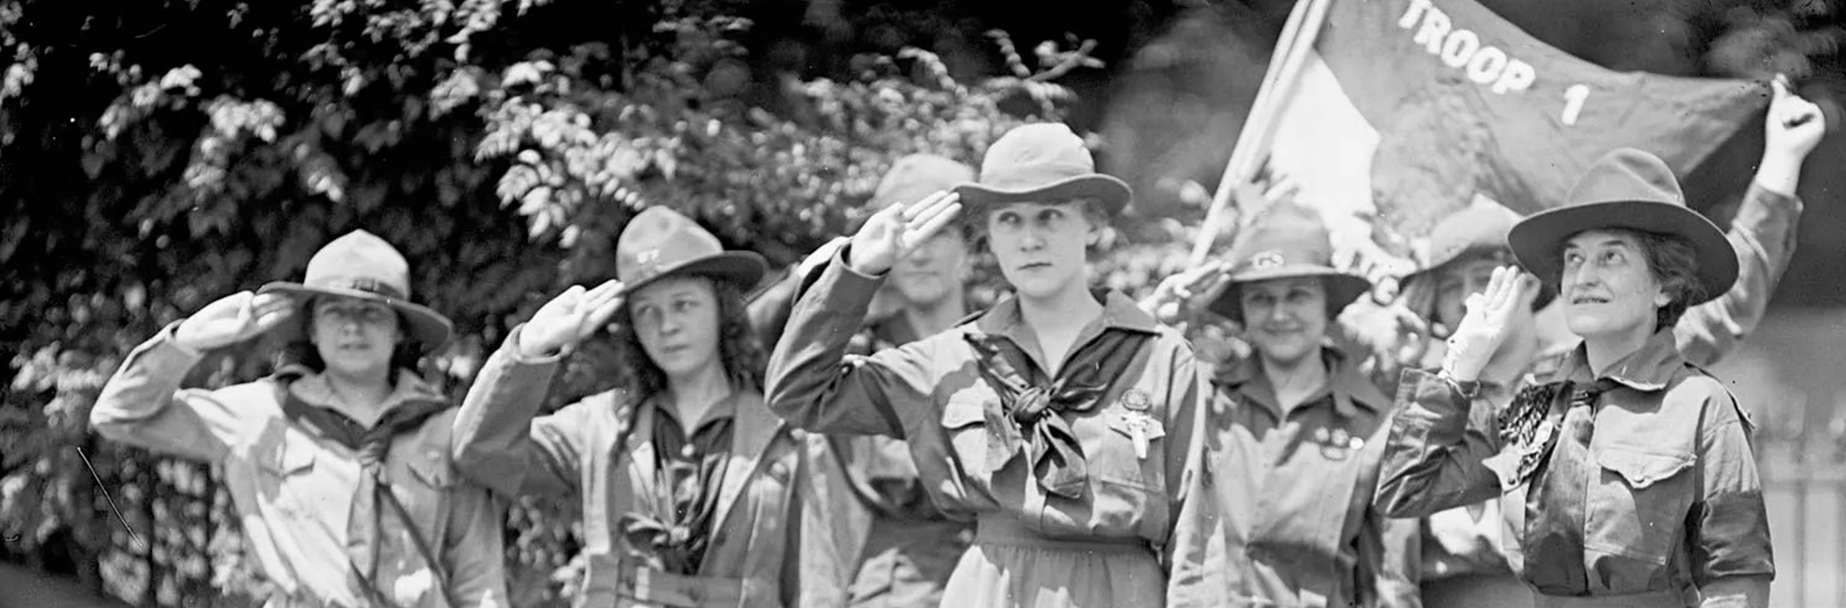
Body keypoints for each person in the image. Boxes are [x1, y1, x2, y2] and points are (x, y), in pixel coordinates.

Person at [1368, 76, 1824, 608]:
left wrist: (1780, 167)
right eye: (1574, 258)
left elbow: (1736, 582)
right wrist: (1456, 373)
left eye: (1612, 256)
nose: (1584, 276)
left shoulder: (1699, 407)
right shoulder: (1531, 406)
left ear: (1665, 286)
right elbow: (1406, 490)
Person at [764, 122, 1211, 608]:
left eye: (1050, 216)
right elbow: (799, 394)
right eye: (1010, 220)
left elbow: (1198, 540)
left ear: (1093, 223)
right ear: (988, 238)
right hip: (991, 590)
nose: (1030, 240)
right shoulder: (952, 358)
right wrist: (858, 272)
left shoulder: (1159, 356)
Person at [89, 230, 508, 608]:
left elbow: (478, 578)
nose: (352, 327)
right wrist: (184, 344)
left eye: (372, 313)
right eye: (334, 311)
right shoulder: (261, 413)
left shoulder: (447, 427)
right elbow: (118, 415)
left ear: (400, 331)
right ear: (310, 327)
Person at [448, 206, 826, 608]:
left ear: (722, 309)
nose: (667, 326)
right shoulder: (598, 426)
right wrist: (530, 350)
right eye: (648, 312)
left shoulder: (785, 433)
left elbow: (819, 582)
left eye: (684, 304)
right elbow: (479, 454)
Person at [1153, 199, 1421, 607]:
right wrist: (1155, 328)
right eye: (1261, 298)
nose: (1280, 314)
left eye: (1297, 295)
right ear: (1241, 309)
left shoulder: (1378, 426)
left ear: (1328, 304)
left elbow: (1391, 582)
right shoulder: (1199, 401)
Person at [750, 154, 980, 608]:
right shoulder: (848, 359)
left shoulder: (1001, 348)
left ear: (970, 249)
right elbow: (738, 352)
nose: (922, 252)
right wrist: (819, 273)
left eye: (941, 234)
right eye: (907, 236)